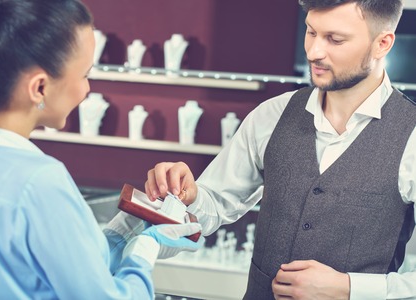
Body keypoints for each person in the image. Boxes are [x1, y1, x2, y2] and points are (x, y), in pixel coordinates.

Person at [145, 0, 416, 299]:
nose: (314, 52)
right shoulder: (271, 115)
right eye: (311, 32)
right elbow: (214, 205)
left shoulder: (412, 137)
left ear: (382, 43)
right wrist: (192, 194)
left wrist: (350, 288)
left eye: (335, 39)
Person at [0, 0, 203, 299]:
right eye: (85, 74)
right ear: (39, 87)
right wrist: (147, 247)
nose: (87, 89)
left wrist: (124, 232)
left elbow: (53, 270)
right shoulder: (40, 181)